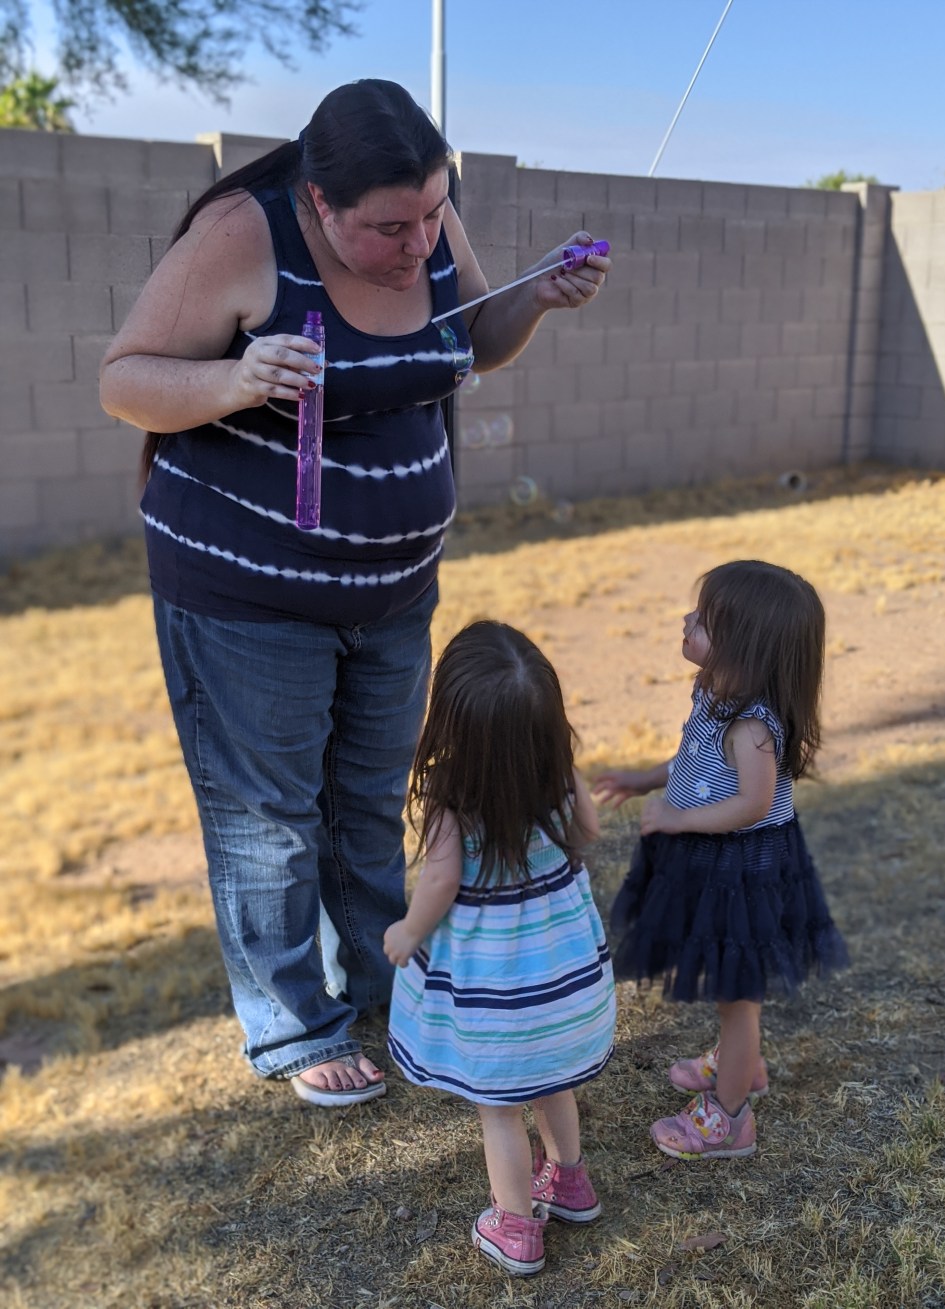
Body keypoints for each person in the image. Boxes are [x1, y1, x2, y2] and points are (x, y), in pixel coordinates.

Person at [98, 79, 610, 1107]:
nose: (419, 240)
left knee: (371, 802)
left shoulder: (424, 211)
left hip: (392, 589)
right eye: (390, 227)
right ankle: (293, 1026)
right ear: (320, 203)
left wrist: (536, 300)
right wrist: (238, 380)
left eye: (432, 214)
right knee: (269, 818)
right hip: (247, 593)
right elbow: (126, 379)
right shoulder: (244, 234)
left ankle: (385, 977)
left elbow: (472, 338)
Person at [593, 560, 848, 1160]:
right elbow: (691, 760)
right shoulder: (715, 695)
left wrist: (676, 818)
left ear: (744, 648)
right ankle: (742, 1062)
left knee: (739, 995)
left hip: (741, 869)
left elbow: (753, 803)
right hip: (714, 864)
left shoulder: (753, 726)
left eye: (703, 621)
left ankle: (730, 1119)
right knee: (730, 984)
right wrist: (642, 779)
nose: (686, 621)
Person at [383, 621, 616, 1277]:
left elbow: (439, 880)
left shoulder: (451, 799)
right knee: (553, 1084)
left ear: (450, 719)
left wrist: (407, 932)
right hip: (565, 990)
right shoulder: (555, 778)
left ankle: (515, 1228)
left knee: (500, 1112)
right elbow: (591, 829)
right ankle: (570, 1182)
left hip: (499, 1006)